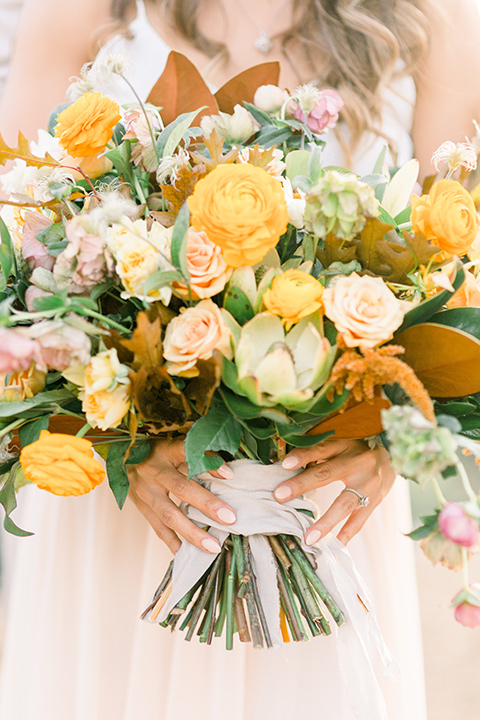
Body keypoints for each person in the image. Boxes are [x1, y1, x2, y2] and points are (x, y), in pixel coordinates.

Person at [0, 1, 480, 718]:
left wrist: (388, 436)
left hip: (320, 502)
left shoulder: (431, 23)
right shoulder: (79, 12)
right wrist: (120, 440)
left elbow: (460, 266)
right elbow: (20, 256)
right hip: (124, 509)